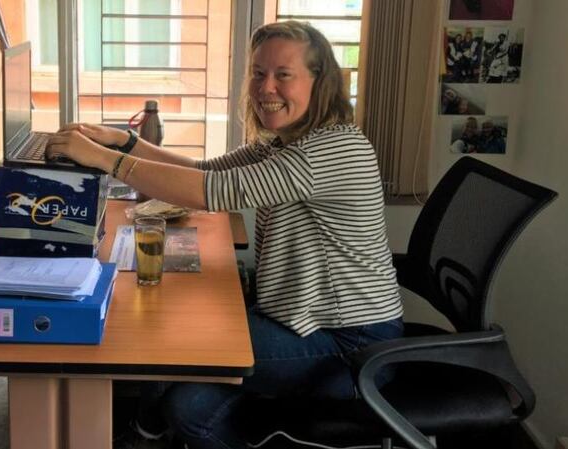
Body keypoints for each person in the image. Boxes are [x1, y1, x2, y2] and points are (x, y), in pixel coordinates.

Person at [47, 20, 403, 449]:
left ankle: (140, 437)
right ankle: (154, 430)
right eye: (257, 73)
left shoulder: (330, 149)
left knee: (172, 340)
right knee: (187, 404)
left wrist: (106, 161)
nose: (265, 87)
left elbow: (213, 193)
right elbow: (206, 171)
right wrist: (125, 144)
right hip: (298, 323)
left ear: (320, 80)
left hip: (348, 345)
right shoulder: (284, 140)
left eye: (283, 75)